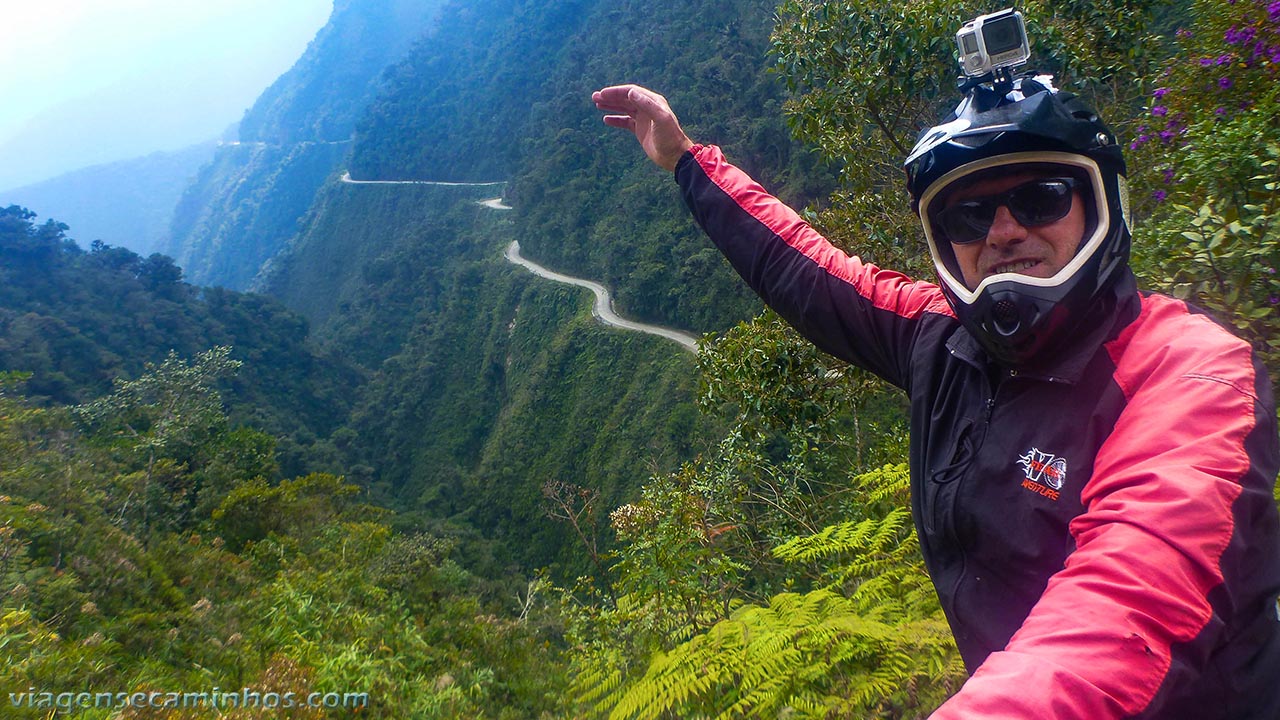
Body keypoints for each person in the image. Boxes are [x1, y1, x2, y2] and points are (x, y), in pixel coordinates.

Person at [592, 74, 1280, 719]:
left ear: (1101, 205)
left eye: (1042, 197)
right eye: (968, 216)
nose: (1003, 231)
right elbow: (809, 272)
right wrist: (688, 160)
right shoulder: (945, 337)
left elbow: (1124, 611)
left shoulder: (1189, 373)